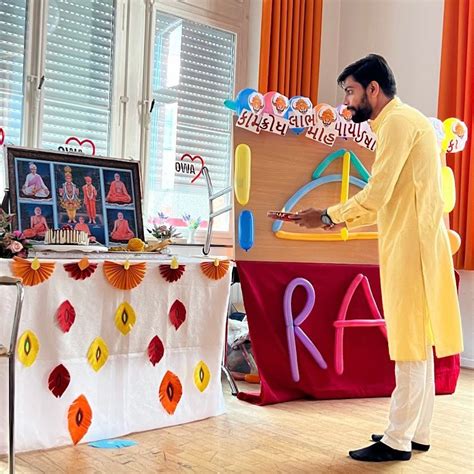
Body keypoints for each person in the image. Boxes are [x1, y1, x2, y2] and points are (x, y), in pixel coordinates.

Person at [291, 54, 463, 462]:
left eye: (350, 92)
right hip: (416, 242)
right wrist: (334, 218)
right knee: (416, 342)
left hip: (413, 249)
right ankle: (416, 431)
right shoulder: (405, 122)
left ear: (373, 89)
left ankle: (397, 438)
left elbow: (377, 193)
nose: (346, 102)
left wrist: (328, 214)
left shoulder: (398, 124)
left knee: (408, 343)